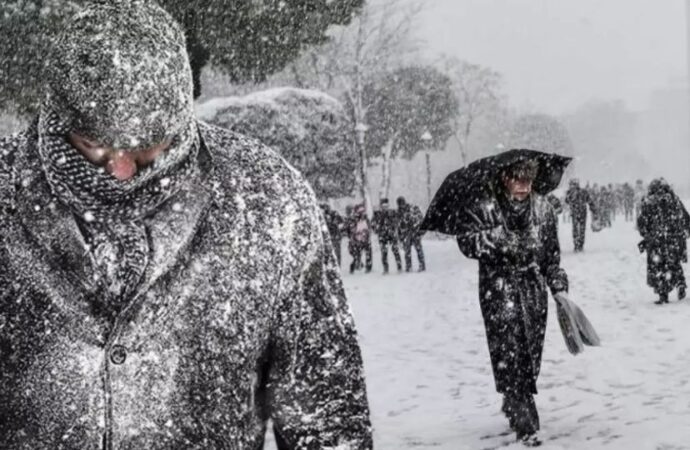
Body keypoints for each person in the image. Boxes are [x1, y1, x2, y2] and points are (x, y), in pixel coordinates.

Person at [0, 2, 372, 448]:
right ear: (57, 118)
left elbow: (325, 412)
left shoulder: (268, 199)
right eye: (94, 145)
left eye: (147, 148)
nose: (121, 170)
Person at [456, 159, 568, 446]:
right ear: (504, 178)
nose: (523, 185)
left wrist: (558, 286)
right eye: (517, 179)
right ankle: (525, 419)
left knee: (530, 354)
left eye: (528, 179)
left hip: (533, 292)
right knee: (509, 351)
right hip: (499, 290)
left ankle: (513, 396)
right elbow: (467, 242)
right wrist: (501, 239)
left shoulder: (543, 209)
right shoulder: (485, 206)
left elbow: (551, 256)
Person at [637, 179, 690, 304]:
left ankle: (663, 293)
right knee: (675, 263)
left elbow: (642, 222)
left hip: (656, 241)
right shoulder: (674, 200)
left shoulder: (649, 201)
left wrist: (646, 235)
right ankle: (680, 283)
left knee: (657, 267)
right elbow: (685, 217)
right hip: (674, 239)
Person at [565, 179, 596, 252]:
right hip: (582, 212)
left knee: (576, 229)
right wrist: (593, 209)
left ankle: (577, 245)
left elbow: (567, 201)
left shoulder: (572, 192)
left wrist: (570, 195)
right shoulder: (583, 192)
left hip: (576, 213)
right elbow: (590, 201)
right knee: (581, 229)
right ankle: (580, 245)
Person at [372, 198, 402, 274]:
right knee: (384, 253)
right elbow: (373, 225)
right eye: (383, 205)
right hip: (383, 236)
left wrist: (393, 227)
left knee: (395, 251)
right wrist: (377, 228)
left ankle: (399, 267)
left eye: (386, 205)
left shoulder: (392, 212)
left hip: (391, 235)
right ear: (381, 206)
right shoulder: (377, 214)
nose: (385, 207)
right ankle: (386, 269)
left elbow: (398, 222)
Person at [397, 196, 426, 272]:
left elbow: (420, 219)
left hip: (414, 232)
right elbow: (398, 225)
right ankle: (409, 267)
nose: (401, 205)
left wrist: (421, 231)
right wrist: (400, 236)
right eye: (400, 204)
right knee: (407, 252)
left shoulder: (412, 208)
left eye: (402, 203)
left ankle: (422, 266)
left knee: (418, 249)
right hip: (406, 234)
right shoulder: (399, 212)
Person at [347, 203, 373, 274]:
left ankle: (368, 267)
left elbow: (369, 227)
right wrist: (354, 234)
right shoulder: (353, 219)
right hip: (357, 240)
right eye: (360, 212)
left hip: (365, 239)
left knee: (368, 253)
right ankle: (354, 266)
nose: (362, 213)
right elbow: (350, 230)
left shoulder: (366, 219)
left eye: (363, 212)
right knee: (357, 255)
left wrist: (367, 232)